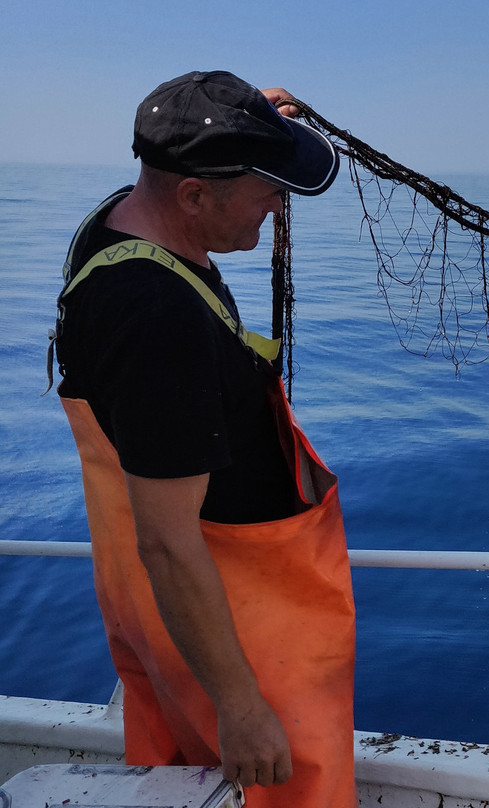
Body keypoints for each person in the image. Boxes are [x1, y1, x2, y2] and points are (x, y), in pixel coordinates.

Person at [51, 71, 357, 807]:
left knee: (177, 775)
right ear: (193, 194)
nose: (279, 206)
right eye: (269, 192)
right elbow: (166, 542)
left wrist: (253, 115)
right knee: (285, 787)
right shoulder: (156, 319)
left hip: (156, 606)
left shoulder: (119, 222)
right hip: (233, 623)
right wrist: (241, 705)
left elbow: (186, 132)